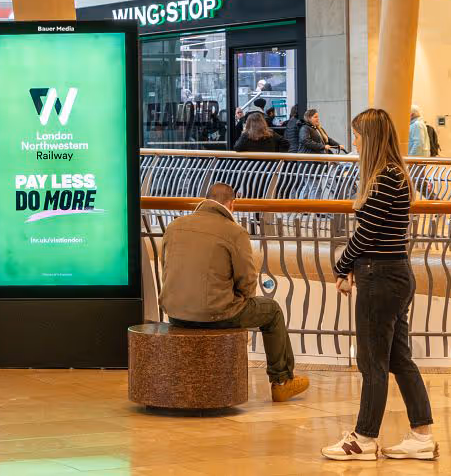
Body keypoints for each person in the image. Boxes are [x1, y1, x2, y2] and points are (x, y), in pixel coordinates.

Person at [322, 109, 436, 461]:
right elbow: (375, 235)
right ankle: (421, 435)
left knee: (372, 361)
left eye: (357, 135)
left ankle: (364, 438)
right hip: (392, 273)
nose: (353, 140)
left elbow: (365, 234)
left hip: (381, 276)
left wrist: (342, 267)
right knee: (399, 358)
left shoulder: (385, 177)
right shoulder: (394, 174)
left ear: (369, 138)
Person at [160, 183, 309, 403]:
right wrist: (239, 301)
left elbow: (167, 269)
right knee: (272, 310)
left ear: (205, 200)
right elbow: (247, 281)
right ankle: (281, 381)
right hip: (216, 314)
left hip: (175, 313)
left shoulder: (175, 226)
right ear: (232, 204)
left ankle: (282, 380)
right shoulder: (234, 232)